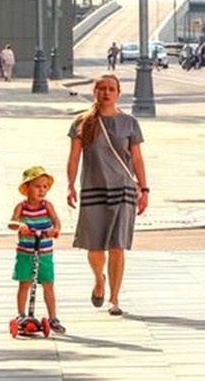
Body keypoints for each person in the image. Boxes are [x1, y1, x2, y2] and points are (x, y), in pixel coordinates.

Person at [66, 73, 148, 317]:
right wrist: (70, 185)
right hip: (93, 188)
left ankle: (114, 298)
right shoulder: (83, 122)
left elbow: (137, 158)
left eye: (111, 89)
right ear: (95, 92)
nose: (106, 93)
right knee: (94, 247)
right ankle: (99, 280)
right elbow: (74, 157)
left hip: (123, 190)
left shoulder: (129, 123)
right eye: (102, 88)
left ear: (118, 93)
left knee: (117, 245)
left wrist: (144, 189)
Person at [9, 166, 65, 333]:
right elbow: (11, 223)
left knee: (48, 283)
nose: (41, 190)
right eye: (37, 186)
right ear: (26, 188)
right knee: (24, 283)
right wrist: (21, 225)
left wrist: (54, 230)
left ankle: (53, 317)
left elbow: (57, 222)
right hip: (25, 253)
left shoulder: (47, 206)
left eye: (44, 187)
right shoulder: (21, 206)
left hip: (44, 253)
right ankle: (21, 314)